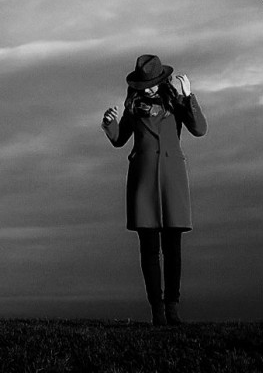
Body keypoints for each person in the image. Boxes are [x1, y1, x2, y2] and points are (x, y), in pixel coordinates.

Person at [100, 54, 207, 326]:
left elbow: (200, 129)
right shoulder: (133, 108)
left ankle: (173, 308)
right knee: (149, 250)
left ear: (162, 81)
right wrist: (110, 123)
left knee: (173, 249)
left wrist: (188, 97)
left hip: (172, 180)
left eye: (152, 83)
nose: (148, 89)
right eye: (144, 85)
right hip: (144, 182)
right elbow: (119, 140)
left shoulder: (176, 103)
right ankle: (157, 311)